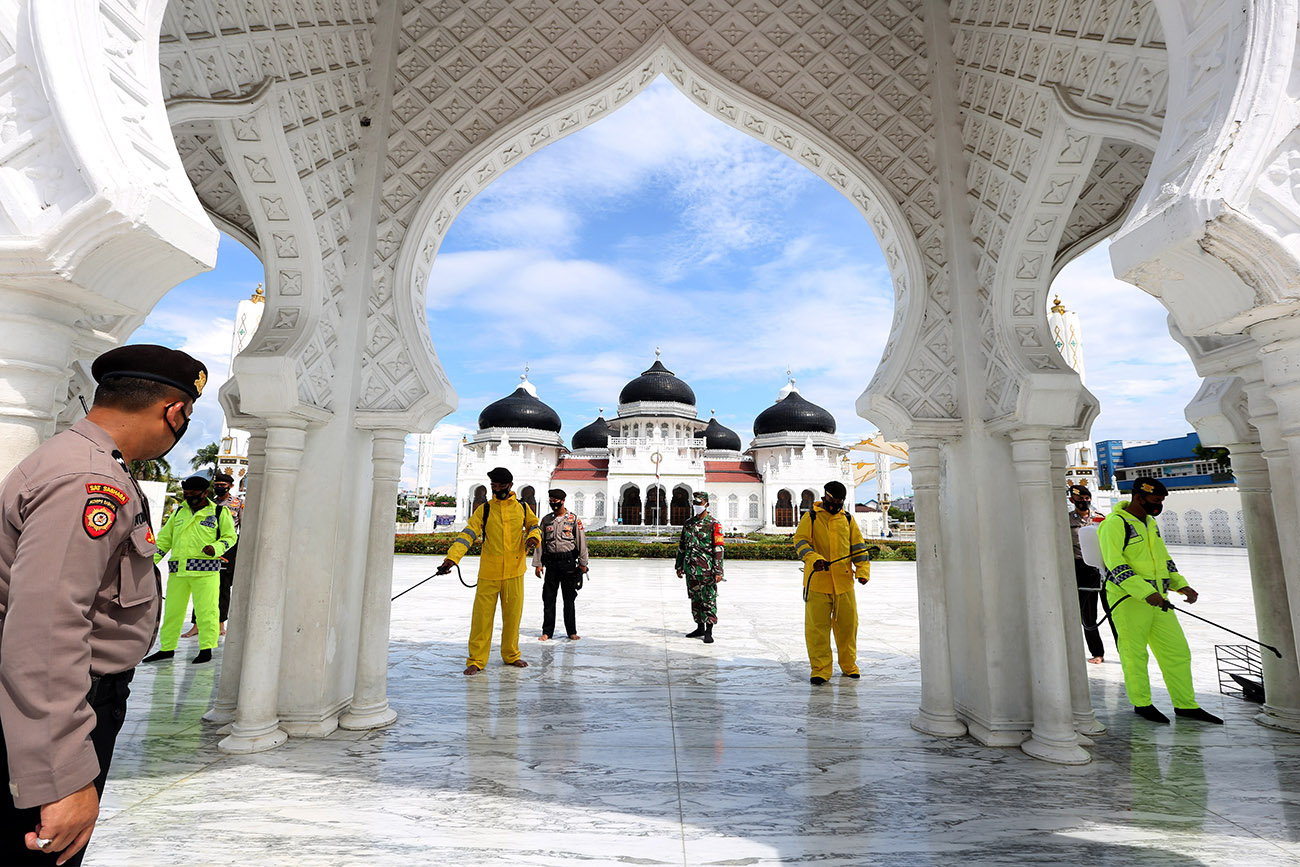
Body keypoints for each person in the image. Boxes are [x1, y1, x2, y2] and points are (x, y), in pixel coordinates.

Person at [0, 344, 207, 865]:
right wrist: (63, 775)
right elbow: (46, 632)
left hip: (68, 700)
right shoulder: (87, 481)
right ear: (176, 412)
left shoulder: (88, 461)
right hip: (68, 703)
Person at [1098, 477, 1222, 724]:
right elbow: (1115, 564)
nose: (1159, 504)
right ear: (1138, 497)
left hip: (1159, 600)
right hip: (1128, 600)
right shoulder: (1115, 523)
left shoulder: (1150, 523)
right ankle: (1142, 703)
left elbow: (1164, 560)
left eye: (1162, 500)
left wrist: (1181, 585)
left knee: (1177, 652)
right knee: (1135, 653)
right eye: (1155, 499)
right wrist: (1145, 592)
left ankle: (1186, 705)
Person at [436, 467, 540, 675]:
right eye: (494, 486)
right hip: (489, 573)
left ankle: (511, 655)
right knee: (482, 619)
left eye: (501, 486)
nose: (497, 489)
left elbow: (533, 525)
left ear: (511, 486)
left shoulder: (521, 507)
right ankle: (476, 660)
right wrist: (452, 558)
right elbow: (468, 534)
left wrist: (533, 537)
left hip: (514, 571)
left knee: (512, 618)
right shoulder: (485, 509)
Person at [142, 475, 236, 666]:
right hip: (179, 572)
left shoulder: (218, 512)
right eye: (186, 494)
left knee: (207, 612)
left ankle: (206, 648)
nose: (189, 497)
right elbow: (164, 541)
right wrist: (150, 562)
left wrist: (216, 549)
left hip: (206, 572)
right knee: (172, 612)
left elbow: (230, 537)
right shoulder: (179, 513)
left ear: (205, 493)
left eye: (193, 495)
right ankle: (167, 648)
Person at [794, 481, 870, 685]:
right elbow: (800, 543)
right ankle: (820, 670)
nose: (836, 504)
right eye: (833, 500)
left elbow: (859, 547)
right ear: (825, 497)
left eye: (840, 501)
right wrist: (813, 558)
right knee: (817, 629)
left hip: (844, 583)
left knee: (848, 626)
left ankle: (849, 666)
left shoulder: (847, 519)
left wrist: (862, 571)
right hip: (817, 582)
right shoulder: (810, 517)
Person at [182, 472, 242, 639]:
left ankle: (220, 623)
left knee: (222, 587)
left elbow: (242, 529)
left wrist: (237, 554)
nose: (219, 487)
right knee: (201, 586)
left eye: (223, 485)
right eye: (216, 484)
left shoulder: (238, 504)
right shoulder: (209, 503)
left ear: (230, 486)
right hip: (206, 549)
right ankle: (196, 624)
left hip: (227, 550)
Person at [533, 488, 589, 641]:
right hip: (552, 564)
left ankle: (571, 631)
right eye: (550, 501)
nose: (553, 504)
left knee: (569, 599)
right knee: (549, 599)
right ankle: (547, 632)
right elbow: (540, 543)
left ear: (562, 501)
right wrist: (538, 564)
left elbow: (581, 542)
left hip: (568, 563)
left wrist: (583, 563)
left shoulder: (573, 519)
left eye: (555, 501)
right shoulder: (546, 520)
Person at [1067, 484, 1109, 664]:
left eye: (1087, 499)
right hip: (1081, 568)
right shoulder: (1066, 520)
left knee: (1112, 611)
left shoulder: (1101, 518)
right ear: (1072, 501)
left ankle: (1124, 651)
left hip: (1103, 568)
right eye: (1080, 500)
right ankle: (1097, 653)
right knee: (1088, 614)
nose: (1085, 502)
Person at [675, 491, 723, 644]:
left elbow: (718, 548)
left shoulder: (714, 524)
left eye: (699, 504)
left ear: (707, 505)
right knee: (695, 599)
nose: (696, 506)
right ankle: (699, 627)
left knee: (708, 599)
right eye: (694, 504)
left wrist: (718, 570)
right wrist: (679, 565)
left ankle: (709, 631)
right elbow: (682, 546)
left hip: (707, 570)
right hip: (691, 569)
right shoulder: (688, 523)